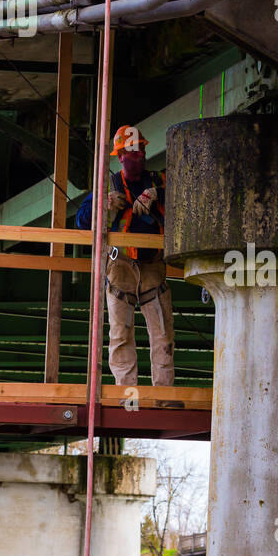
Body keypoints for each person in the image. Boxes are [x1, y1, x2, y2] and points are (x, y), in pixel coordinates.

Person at [75, 124, 175, 389]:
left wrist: (157, 195)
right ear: (119, 157)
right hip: (120, 266)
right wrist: (103, 204)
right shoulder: (108, 185)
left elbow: (185, 196)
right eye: (131, 152)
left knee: (162, 334)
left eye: (140, 151)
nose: (136, 157)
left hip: (152, 265)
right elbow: (82, 222)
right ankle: (126, 392)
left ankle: (163, 394)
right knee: (121, 334)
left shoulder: (158, 182)